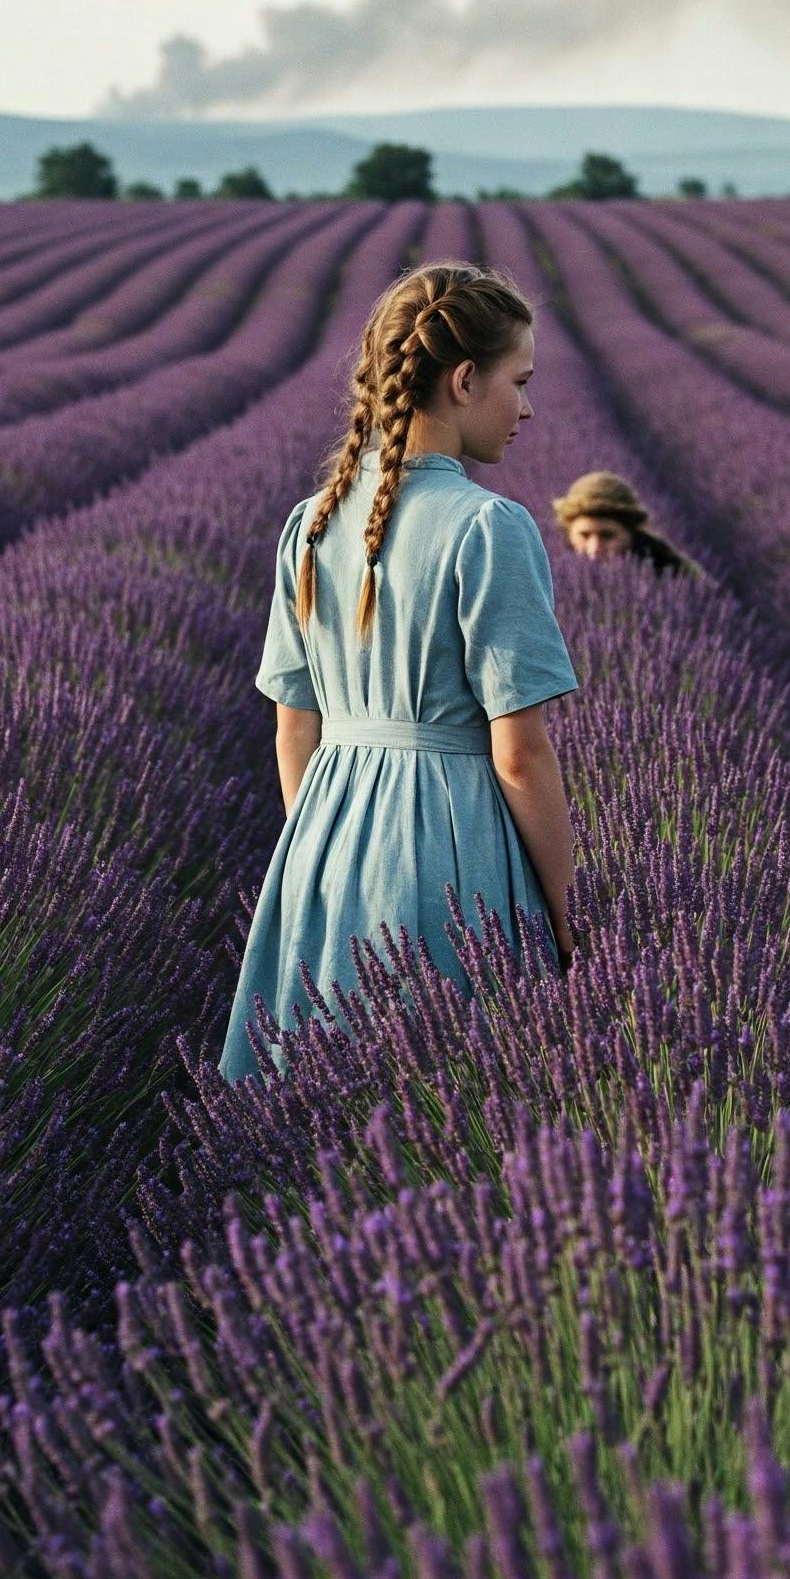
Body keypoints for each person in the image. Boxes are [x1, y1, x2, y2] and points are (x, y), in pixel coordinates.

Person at [218, 259, 582, 1084]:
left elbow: (294, 725)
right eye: (518, 382)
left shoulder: (308, 525)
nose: (527, 407)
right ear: (463, 381)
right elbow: (520, 754)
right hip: (452, 842)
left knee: (316, 1097)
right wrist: (569, 914)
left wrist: (319, 848)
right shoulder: (491, 527)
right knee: (452, 1096)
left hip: (323, 839)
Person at [551, 470, 702, 578]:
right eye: (584, 535)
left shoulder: (678, 578)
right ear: (568, 534)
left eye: (607, 536)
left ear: (633, 535)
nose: (594, 548)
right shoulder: (543, 575)